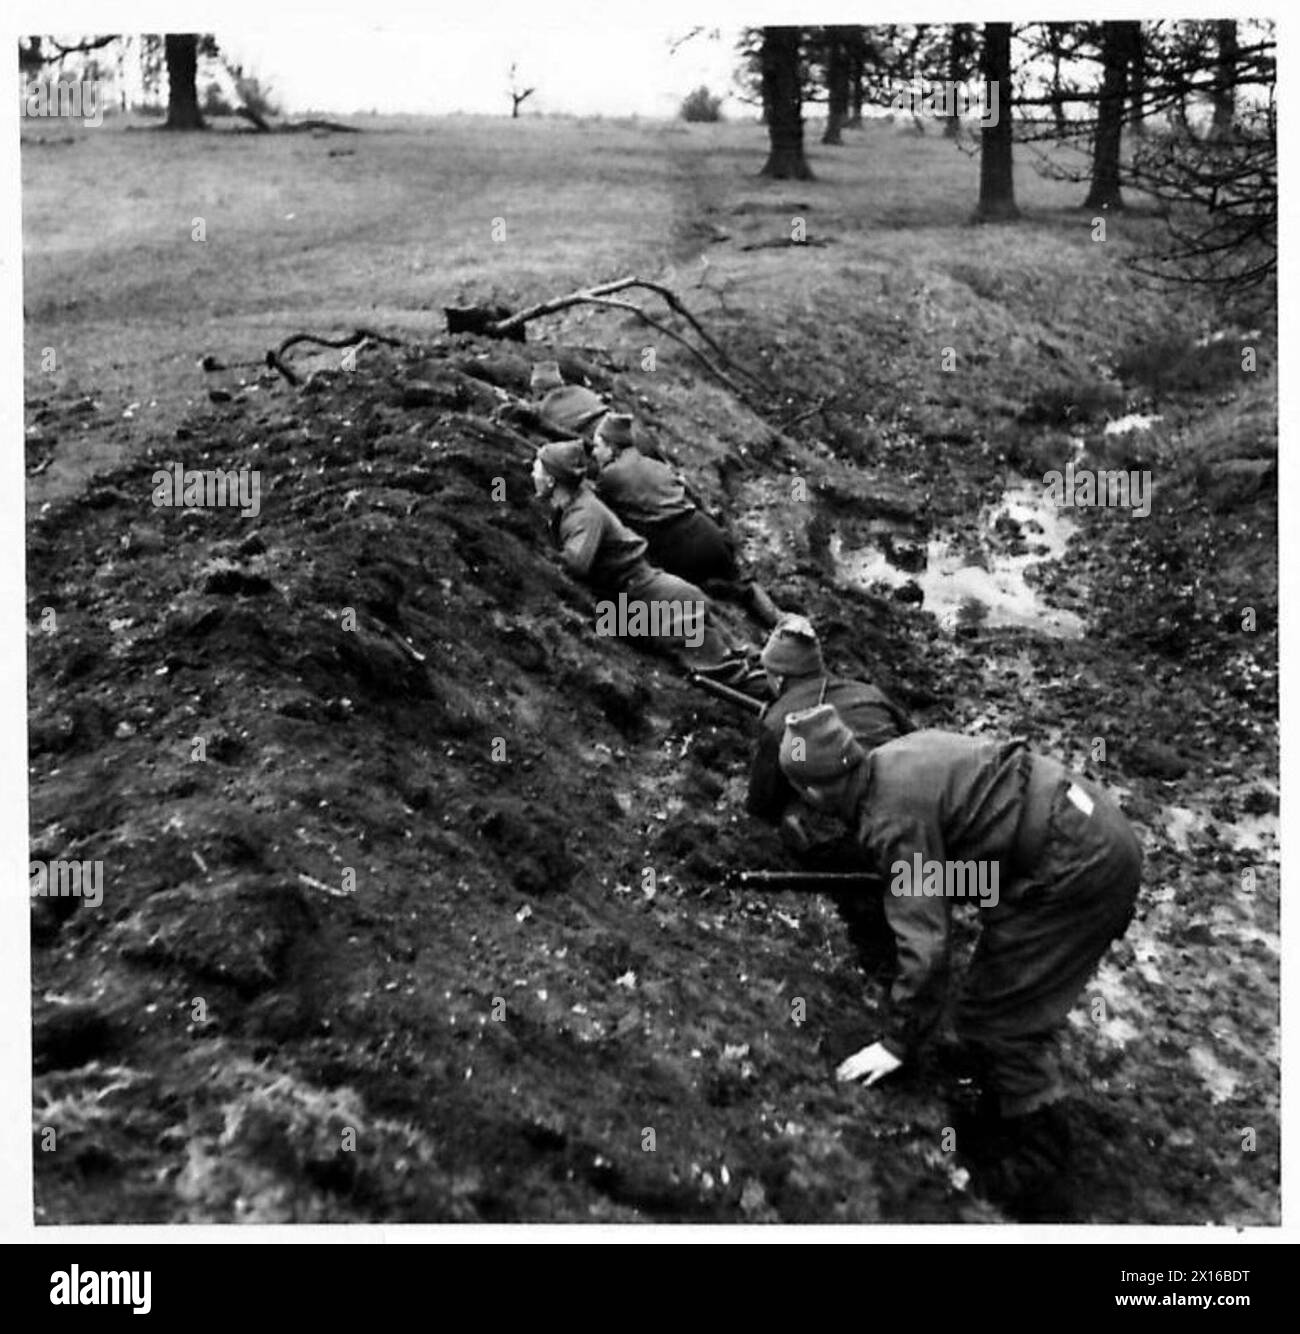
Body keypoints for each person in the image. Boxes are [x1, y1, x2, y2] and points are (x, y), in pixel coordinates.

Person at [776, 703, 1142, 1220]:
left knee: (996, 1017)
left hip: (1076, 864)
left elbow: (927, 947)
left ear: (814, 792)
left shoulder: (891, 818)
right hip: (1081, 818)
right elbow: (965, 856)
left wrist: (898, 1042)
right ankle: (1001, 1107)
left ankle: (1037, 1159)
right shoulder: (895, 757)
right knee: (989, 991)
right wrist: (911, 883)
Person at [531, 440, 741, 673]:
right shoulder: (574, 504)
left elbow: (575, 564)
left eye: (537, 469)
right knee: (720, 666)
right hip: (652, 601)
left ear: (552, 480)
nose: (532, 473)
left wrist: (540, 555)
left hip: (669, 607)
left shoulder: (584, 514)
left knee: (723, 672)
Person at [593, 414, 781, 627]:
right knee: (741, 584)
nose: (594, 451)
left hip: (679, 546)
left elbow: (601, 508)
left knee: (691, 595)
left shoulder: (610, 475)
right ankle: (781, 623)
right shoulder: (657, 466)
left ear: (612, 447)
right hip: (707, 532)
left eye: (598, 445)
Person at [747, 615, 912, 844]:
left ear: (779, 678)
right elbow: (915, 739)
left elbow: (762, 804)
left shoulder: (780, 722)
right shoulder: (868, 693)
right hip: (911, 792)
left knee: (792, 818)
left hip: (864, 822)